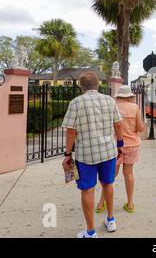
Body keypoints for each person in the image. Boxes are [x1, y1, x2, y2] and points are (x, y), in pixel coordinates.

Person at [62, 72, 124, 238]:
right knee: (108, 184)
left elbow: (70, 131)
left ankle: (91, 232)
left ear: (81, 86)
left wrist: (67, 154)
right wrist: (120, 145)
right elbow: (118, 125)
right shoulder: (109, 100)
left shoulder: (76, 102)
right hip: (108, 151)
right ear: (98, 84)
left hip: (86, 154)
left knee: (88, 190)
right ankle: (111, 220)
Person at [96, 85, 145, 214]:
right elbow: (140, 128)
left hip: (116, 146)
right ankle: (130, 204)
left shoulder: (113, 106)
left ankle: (102, 203)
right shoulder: (134, 108)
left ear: (118, 96)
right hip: (132, 145)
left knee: (111, 175)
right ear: (130, 96)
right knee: (128, 173)